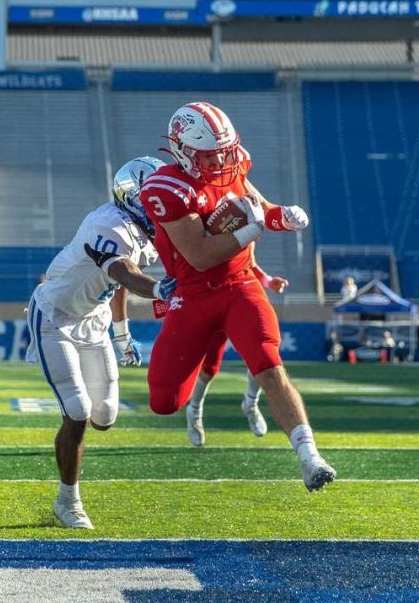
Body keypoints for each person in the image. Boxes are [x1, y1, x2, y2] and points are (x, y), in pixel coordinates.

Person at [138, 101, 335, 491]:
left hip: (239, 285)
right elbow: (200, 255)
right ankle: (192, 404)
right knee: (163, 401)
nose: (222, 162)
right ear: (184, 152)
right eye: (211, 156)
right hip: (192, 295)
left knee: (268, 363)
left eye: (225, 152)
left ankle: (310, 456)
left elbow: (259, 208)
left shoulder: (234, 162)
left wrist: (283, 217)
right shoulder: (166, 188)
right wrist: (251, 231)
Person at [25, 157, 177, 529]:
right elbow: (123, 271)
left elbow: (123, 279)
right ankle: (67, 501)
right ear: (131, 196)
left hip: (95, 322)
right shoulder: (106, 224)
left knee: (104, 417)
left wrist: (122, 334)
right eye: (151, 197)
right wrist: (157, 289)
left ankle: (69, 464)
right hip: (55, 316)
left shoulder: (147, 234)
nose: (159, 206)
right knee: (76, 411)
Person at [185, 263, 289, 447]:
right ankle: (194, 410)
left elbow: (250, 262)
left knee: (262, 356)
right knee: (210, 367)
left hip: (242, 295)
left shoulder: (246, 233)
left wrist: (268, 280)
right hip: (209, 297)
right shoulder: (199, 233)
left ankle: (250, 402)